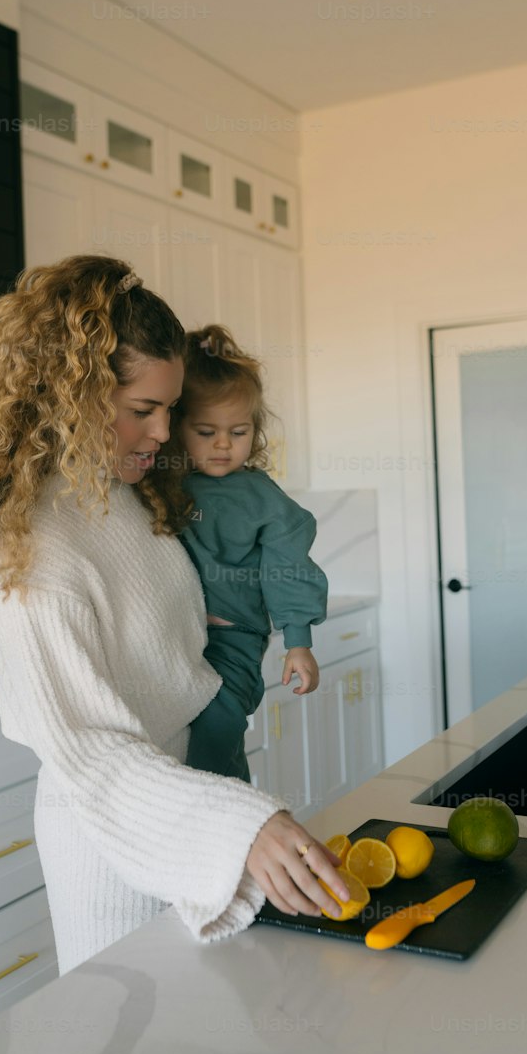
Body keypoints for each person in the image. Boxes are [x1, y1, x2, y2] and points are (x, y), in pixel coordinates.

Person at [0, 256, 349, 976]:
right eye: (141, 410)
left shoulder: (123, 487)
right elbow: (92, 753)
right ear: (71, 392)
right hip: (118, 844)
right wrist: (243, 825)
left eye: (170, 410)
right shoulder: (34, 547)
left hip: (198, 798)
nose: (160, 431)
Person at [172, 325, 328, 784]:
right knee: (188, 744)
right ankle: (238, 827)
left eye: (238, 432)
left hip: (235, 639)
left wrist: (297, 641)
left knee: (218, 732)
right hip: (174, 638)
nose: (223, 444)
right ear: (177, 425)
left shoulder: (262, 499)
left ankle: (219, 823)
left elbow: (288, 567)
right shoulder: (160, 482)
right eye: (206, 431)